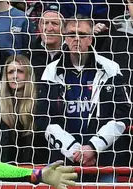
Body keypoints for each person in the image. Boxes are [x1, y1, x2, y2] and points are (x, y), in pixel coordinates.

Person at [40, 15, 131, 178]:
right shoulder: (51, 71)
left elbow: (123, 115)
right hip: (62, 163)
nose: (76, 39)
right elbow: (43, 118)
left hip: (103, 162)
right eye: (71, 34)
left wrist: (93, 147)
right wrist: (75, 151)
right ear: (64, 38)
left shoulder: (110, 68)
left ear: (90, 38)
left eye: (82, 35)